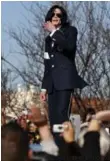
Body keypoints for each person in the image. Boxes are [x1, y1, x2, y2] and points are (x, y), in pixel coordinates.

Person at [40, 5, 88, 146]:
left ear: (63, 18)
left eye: (59, 15)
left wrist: (54, 32)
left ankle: (66, 146)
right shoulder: (48, 40)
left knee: (62, 113)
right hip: (52, 84)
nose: (55, 16)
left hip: (65, 80)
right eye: (53, 14)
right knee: (54, 117)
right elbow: (47, 65)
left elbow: (69, 47)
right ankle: (57, 145)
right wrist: (44, 88)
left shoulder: (70, 31)